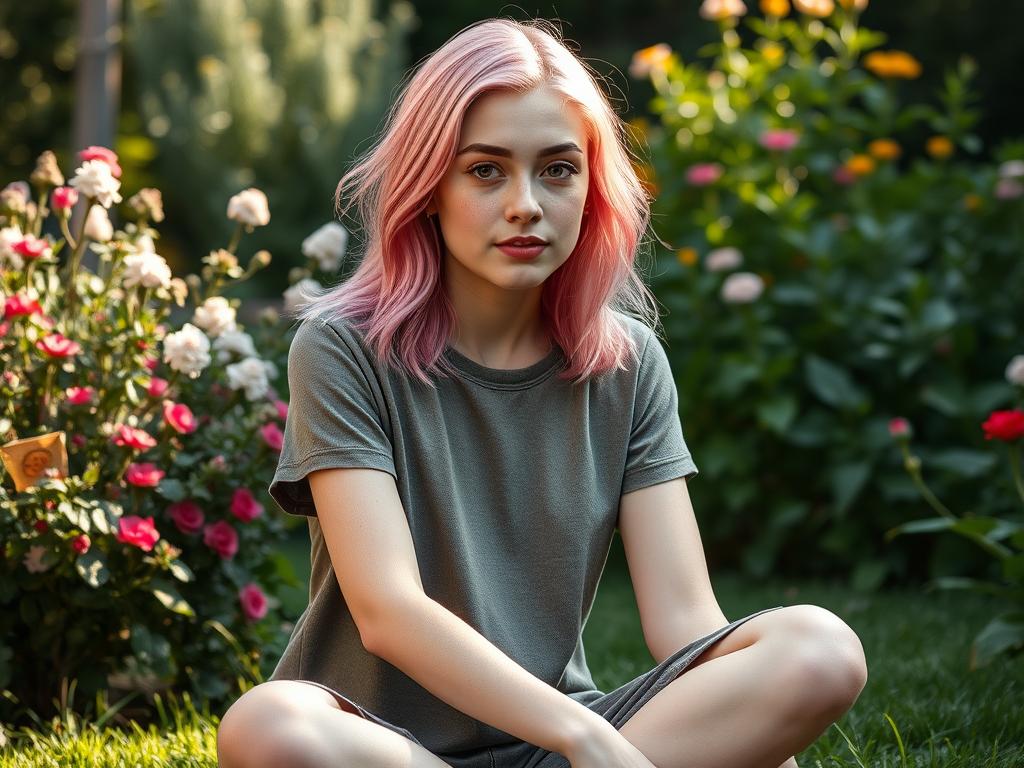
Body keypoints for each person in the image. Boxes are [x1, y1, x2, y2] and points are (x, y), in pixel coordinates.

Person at [217, 17, 868, 768]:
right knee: (267, 725)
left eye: (557, 169)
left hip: (555, 748)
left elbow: (688, 624)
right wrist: (587, 738)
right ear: (429, 186)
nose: (525, 203)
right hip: (382, 744)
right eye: (485, 170)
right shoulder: (341, 349)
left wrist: (759, 747)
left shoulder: (627, 365)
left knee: (819, 648)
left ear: (592, 187)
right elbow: (388, 612)